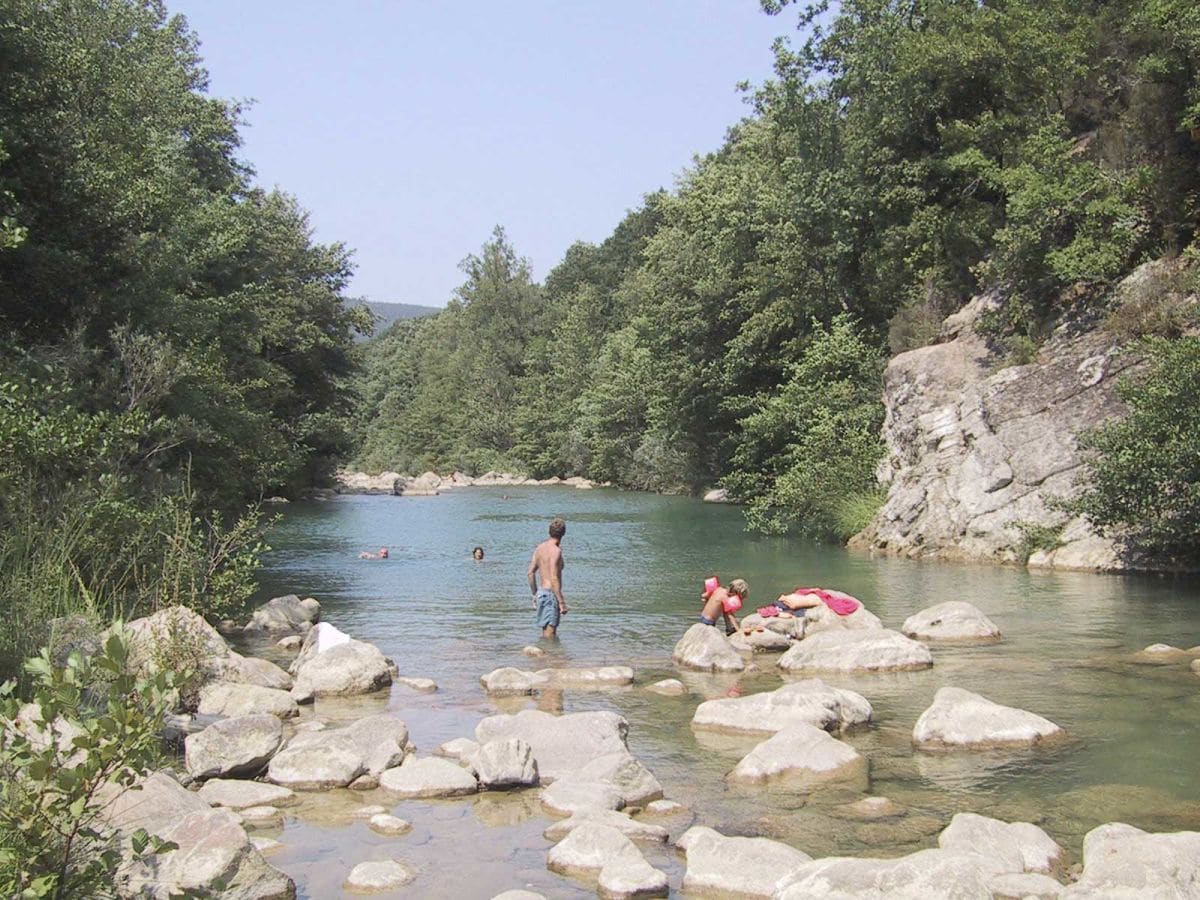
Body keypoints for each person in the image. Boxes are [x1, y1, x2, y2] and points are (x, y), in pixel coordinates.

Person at [528, 517, 567, 638]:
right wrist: (561, 602)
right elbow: (554, 578)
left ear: (549, 532)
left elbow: (530, 573)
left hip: (541, 593)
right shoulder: (556, 551)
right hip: (551, 594)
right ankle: (549, 656)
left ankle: (544, 655)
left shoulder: (539, 548)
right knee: (550, 635)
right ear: (563, 533)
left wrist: (535, 595)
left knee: (545, 633)